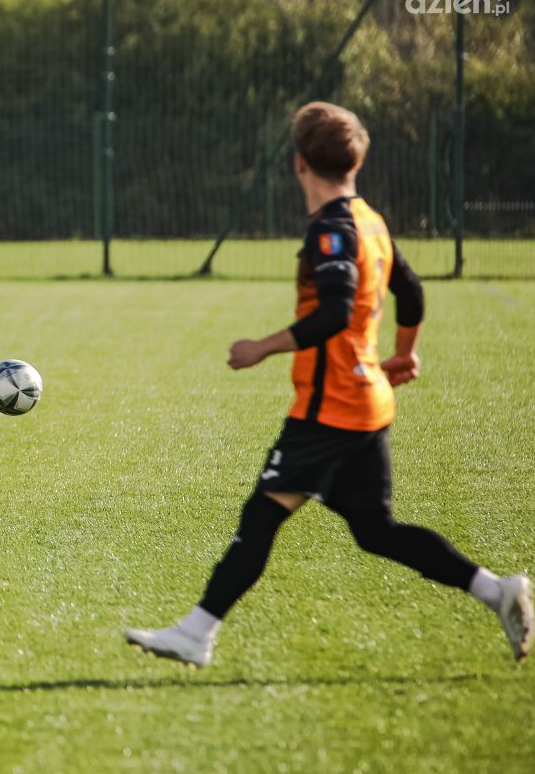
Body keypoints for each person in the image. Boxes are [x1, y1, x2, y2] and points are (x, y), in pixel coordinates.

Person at [124, 101, 532, 667]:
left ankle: (197, 633)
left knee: (262, 515)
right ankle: (496, 590)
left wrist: (262, 347)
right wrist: (403, 354)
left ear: (299, 163)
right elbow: (411, 291)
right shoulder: (370, 221)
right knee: (375, 530)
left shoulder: (331, 230)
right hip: (365, 403)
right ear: (355, 162)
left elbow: (336, 312)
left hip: (330, 408)